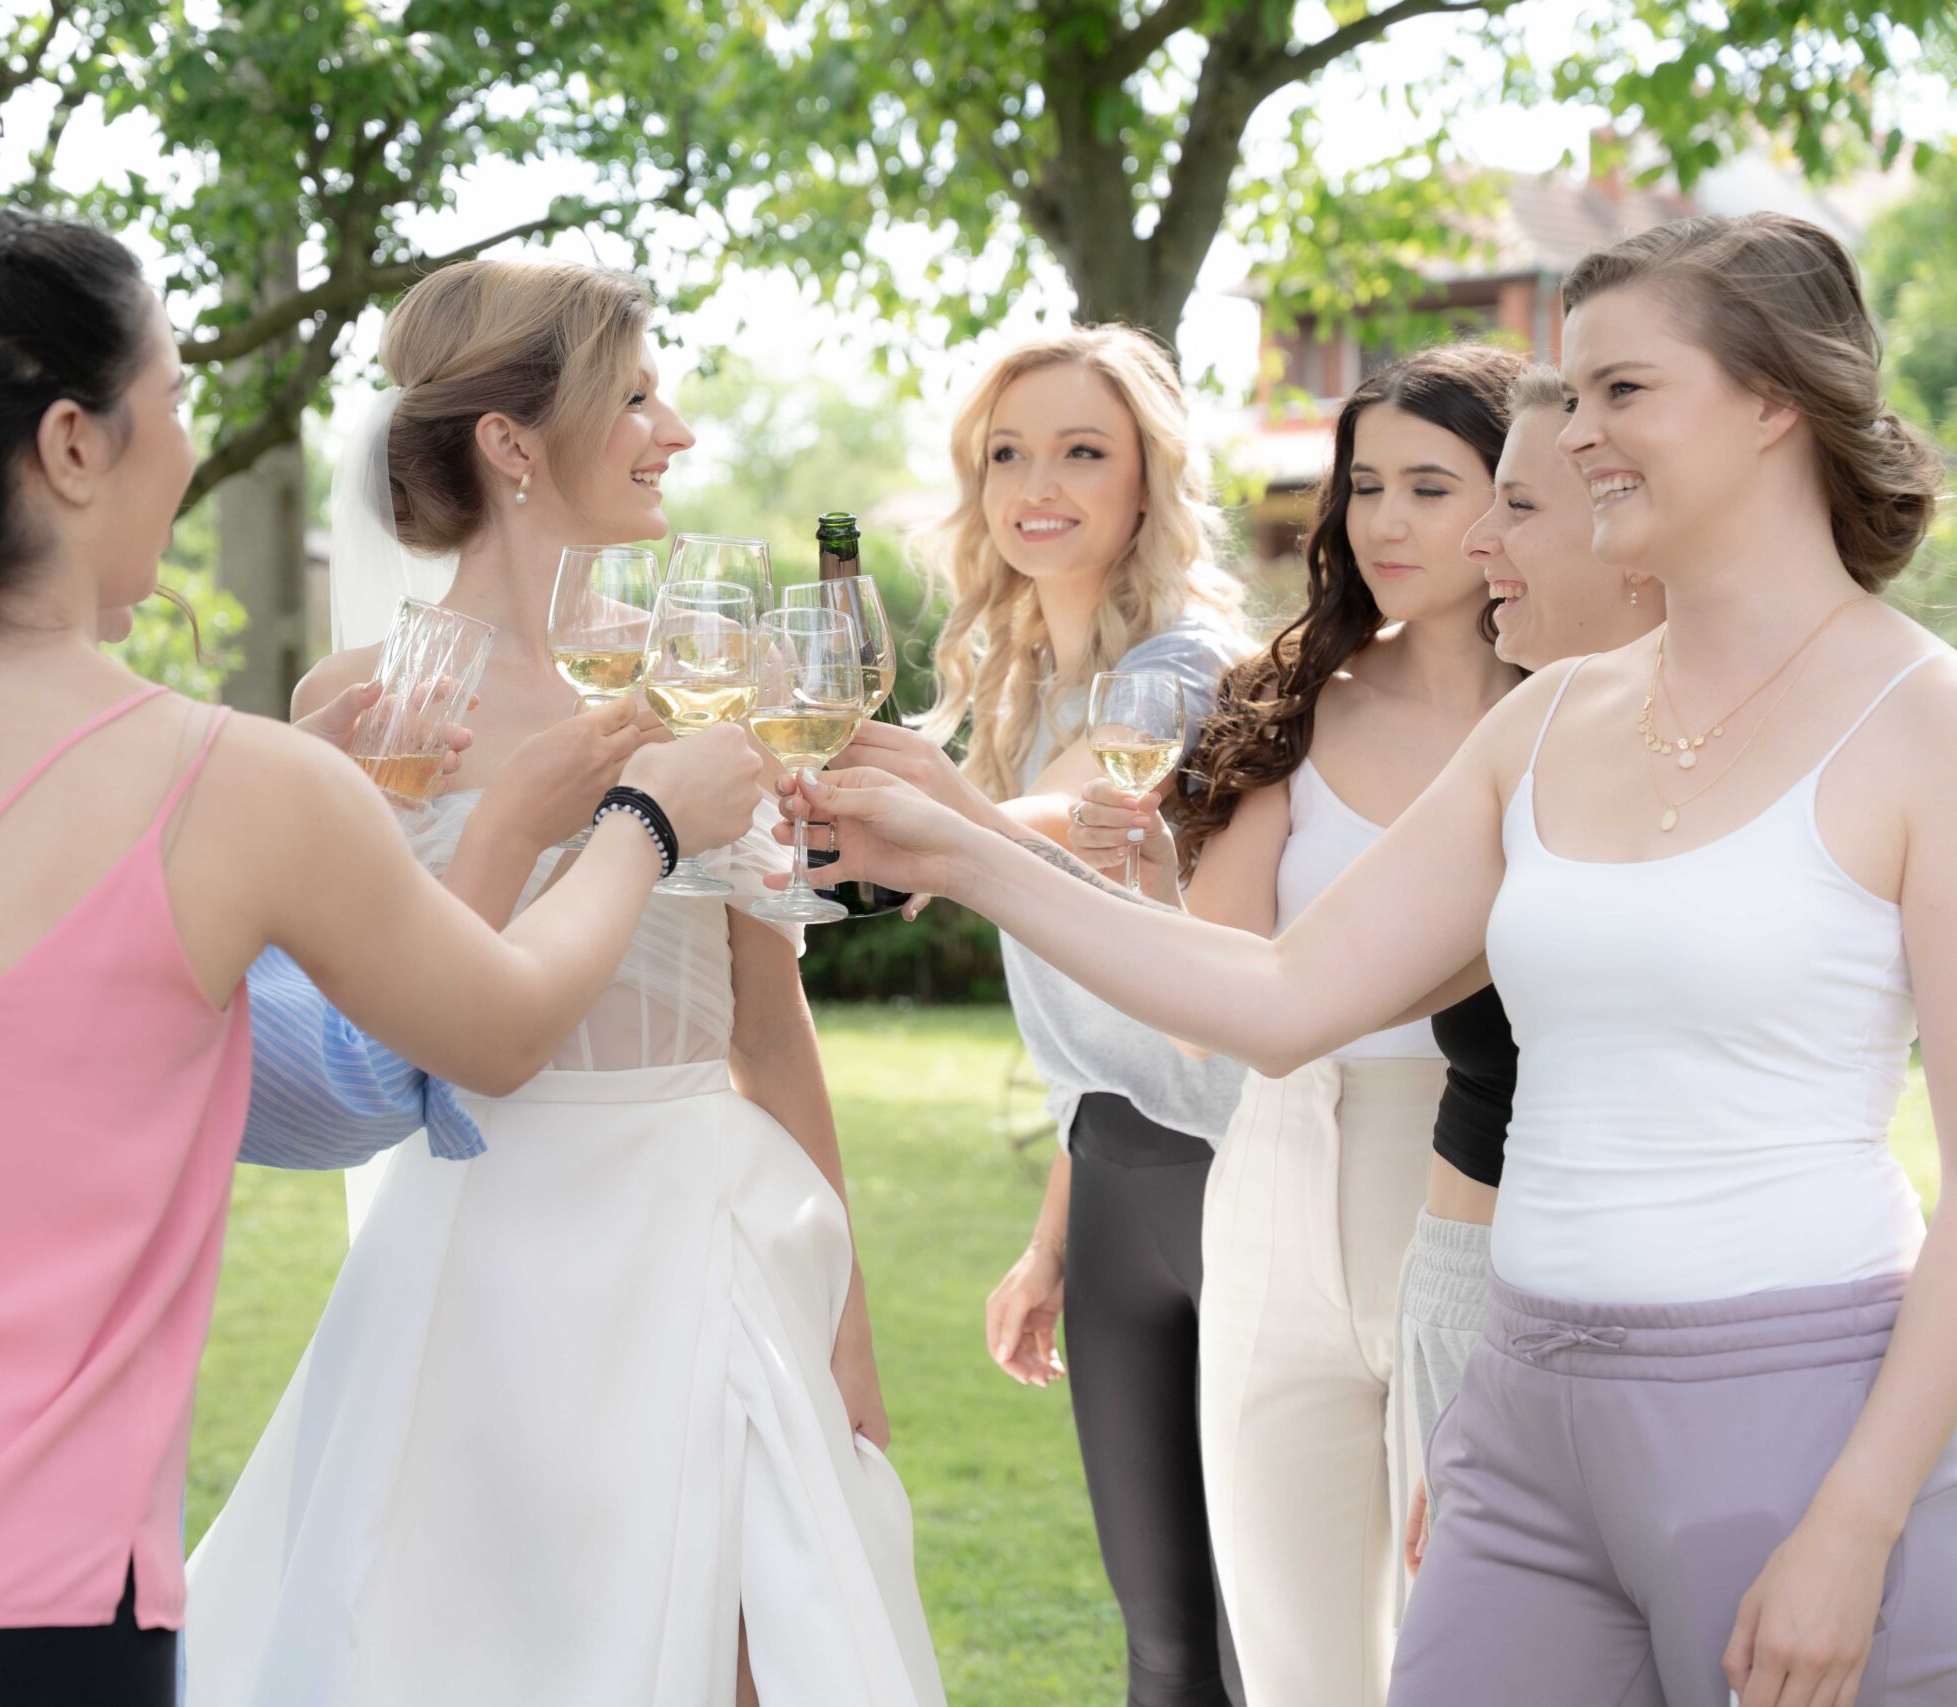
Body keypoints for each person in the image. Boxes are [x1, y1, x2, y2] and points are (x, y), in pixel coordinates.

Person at [0, 206, 761, 1707]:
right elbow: (498, 1030)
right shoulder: (239, 785)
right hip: (28, 1634)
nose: (187, 448)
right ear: (72, 446)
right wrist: (644, 820)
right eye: (172, 401)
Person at [780, 211, 1957, 1706]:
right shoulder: (1546, 721)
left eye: (1622, 392)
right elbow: (1280, 998)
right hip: (1520, 1415)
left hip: (1786, 1408)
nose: (1575, 436)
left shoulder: (1923, 723)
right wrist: (959, 847)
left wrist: (1858, 1516)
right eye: (1573, 396)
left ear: (1775, 401)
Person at [183, 256, 945, 1707]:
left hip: (706, 1230)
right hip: (472, 1251)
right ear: (510, 442)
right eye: (637, 398)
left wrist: (846, 1329)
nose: (677, 432)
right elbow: (351, 1022)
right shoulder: (364, 703)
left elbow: (769, 1024)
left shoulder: (714, 674)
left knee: (757, 1644)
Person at [1060, 342, 1522, 1704]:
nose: (1384, 522)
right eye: (1365, 486)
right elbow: (1219, 1004)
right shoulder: (1291, 696)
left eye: (1430, 486)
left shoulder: (1577, 710)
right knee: (1292, 1656)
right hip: (1274, 1168)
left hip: (1477, 1176)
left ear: (1516, 494)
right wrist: (1153, 882)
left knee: (1469, 1643)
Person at [855, 324, 1250, 1705]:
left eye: (1083, 451)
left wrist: (920, 822)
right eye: (1008, 454)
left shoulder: (1191, 670)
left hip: (1242, 1179)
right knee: (1161, 1640)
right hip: (1118, 1183)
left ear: (1149, 478)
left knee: (1265, 1641)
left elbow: (1080, 818)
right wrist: (1048, 1243)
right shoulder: (1019, 694)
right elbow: (1101, 1041)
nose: (1039, 486)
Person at [1392, 362, 1668, 1577]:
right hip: (1480, 1293)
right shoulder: (1527, 739)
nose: (1474, 541)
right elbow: (1296, 992)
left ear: (1632, 529)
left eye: (1516, 505)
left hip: (1652, 1338)